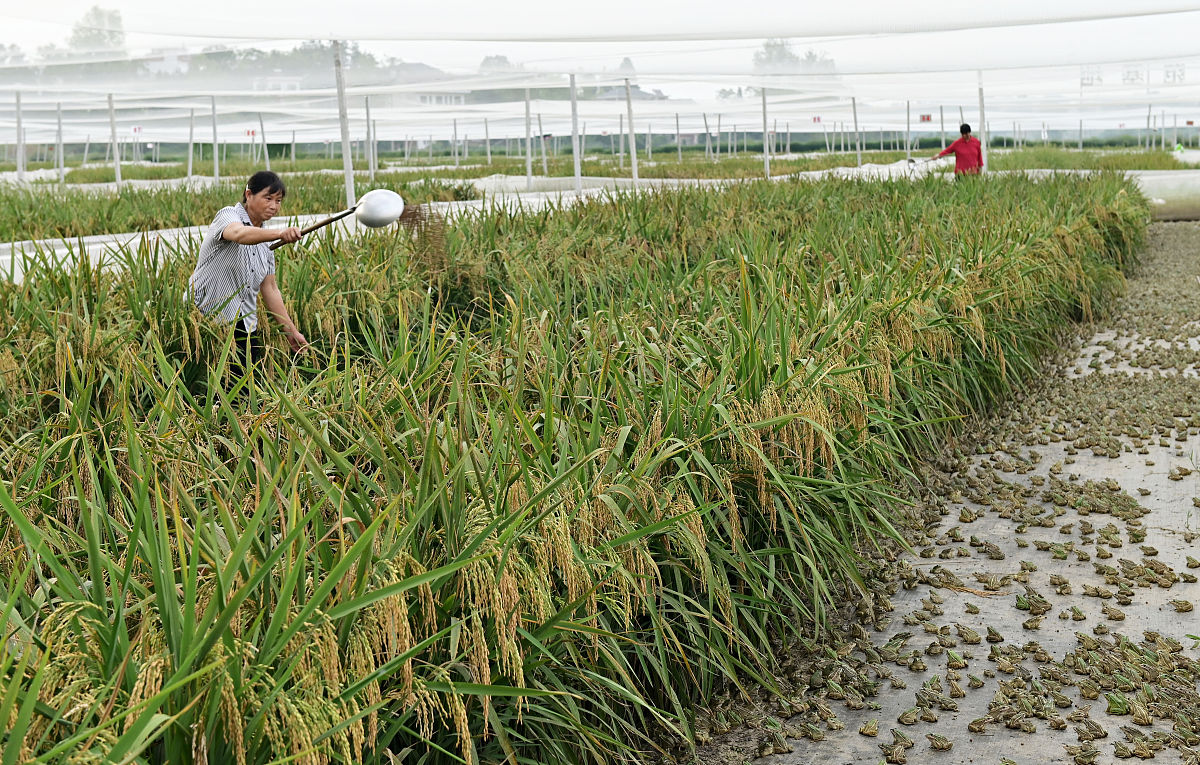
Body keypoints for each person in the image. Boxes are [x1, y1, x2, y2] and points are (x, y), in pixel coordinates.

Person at [189, 170, 308, 380]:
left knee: (244, 390)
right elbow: (239, 234)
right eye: (268, 198)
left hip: (245, 325)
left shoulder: (267, 243)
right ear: (248, 194)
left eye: (278, 201)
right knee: (212, 387)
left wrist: (291, 331)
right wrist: (280, 233)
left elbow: (270, 289)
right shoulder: (228, 215)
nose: (274, 206)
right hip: (208, 321)